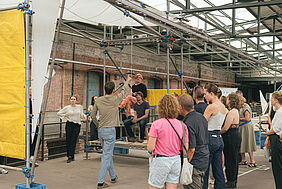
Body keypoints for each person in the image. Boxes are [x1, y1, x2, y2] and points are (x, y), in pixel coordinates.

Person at [91, 76, 131, 189]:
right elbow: (124, 91)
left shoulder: (98, 100)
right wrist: (127, 81)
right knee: (106, 156)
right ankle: (100, 182)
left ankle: (113, 176)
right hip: (110, 130)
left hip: (101, 130)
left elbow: (93, 116)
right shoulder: (115, 99)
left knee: (107, 154)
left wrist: (98, 125)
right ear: (113, 90)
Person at [147, 94, 189, 189]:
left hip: (160, 160)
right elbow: (186, 146)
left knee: (155, 186)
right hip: (176, 160)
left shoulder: (156, 124)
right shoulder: (182, 125)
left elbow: (150, 147)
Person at [178, 94, 209, 189]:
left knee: (192, 186)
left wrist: (186, 164)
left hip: (195, 161)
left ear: (181, 107)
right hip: (204, 157)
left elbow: (191, 148)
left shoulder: (188, 123)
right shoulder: (201, 117)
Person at [203, 83, 228, 189]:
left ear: (211, 93)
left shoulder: (211, 107)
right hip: (218, 138)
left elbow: (203, 124)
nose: (204, 96)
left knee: (205, 170)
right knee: (218, 170)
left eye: (205, 94)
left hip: (209, 137)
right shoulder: (224, 107)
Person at [221, 93, 241, 188]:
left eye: (228, 99)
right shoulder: (236, 111)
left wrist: (218, 132)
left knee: (230, 159)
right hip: (235, 134)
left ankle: (230, 181)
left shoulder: (231, 112)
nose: (227, 101)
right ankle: (233, 181)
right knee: (234, 159)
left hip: (230, 136)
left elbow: (225, 128)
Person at [57, 96, 87, 163]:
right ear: (70, 100)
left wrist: (84, 116)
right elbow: (59, 113)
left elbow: (81, 114)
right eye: (72, 99)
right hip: (69, 124)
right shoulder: (67, 108)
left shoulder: (79, 107)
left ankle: (71, 156)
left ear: (76, 100)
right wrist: (65, 115)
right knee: (68, 140)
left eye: (74, 99)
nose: (73, 100)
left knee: (73, 140)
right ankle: (69, 155)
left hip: (77, 125)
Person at [265, 91, 282, 188]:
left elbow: (275, 129)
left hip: (276, 140)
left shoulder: (280, 112)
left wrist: (267, 133)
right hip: (276, 139)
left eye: (272, 98)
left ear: (276, 100)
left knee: (277, 168)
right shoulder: (278, 111)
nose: (270, 100)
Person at [238, 95, 256, 167]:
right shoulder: (241, 107)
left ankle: (252, 160)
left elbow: (247, 118)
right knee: (242, 143)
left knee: (248, 142)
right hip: (242, 127)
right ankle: (243, 160)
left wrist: (238, 118)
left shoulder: (246, 107)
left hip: (246, 127)